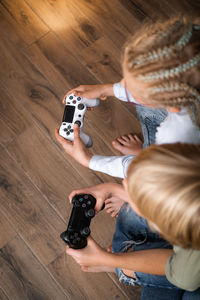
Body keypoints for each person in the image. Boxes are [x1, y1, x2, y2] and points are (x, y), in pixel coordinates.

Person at [55, 17, 200, 216]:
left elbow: (153, 173)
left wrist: (89, 160)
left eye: (130, 86)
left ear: (174, 105)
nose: (122, 85)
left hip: (181, 185)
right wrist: (107, 89)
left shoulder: (177, 134)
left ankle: (149, 155)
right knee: (145, 108)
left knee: (135, 211)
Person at [65, 143, 200, 296]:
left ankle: (121, 270)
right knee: (129, 216)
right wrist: (111, 189)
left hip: (189, 276)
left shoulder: (187, 273)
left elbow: (180, 273)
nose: (124, 184)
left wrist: (108, 260)